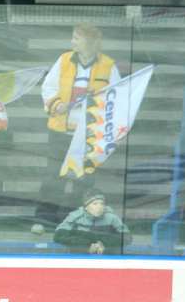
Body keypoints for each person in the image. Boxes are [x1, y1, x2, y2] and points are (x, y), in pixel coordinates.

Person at [36, 23, 121, 232]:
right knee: (53, 176)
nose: (72, 42)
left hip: (89, 135)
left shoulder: (109, 66)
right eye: (73, 37)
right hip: (60, 131)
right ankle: (44, 220)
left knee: (84, 179)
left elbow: (117, 98)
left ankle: (76, 221)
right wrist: (56, 104)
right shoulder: (64, 60)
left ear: (89, 42)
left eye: (76, 38)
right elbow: (48, 87)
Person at [53, 189, 132, 254]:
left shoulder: (112, 218)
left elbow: (126, 237)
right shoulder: (75, 217)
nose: (99, 207)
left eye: (102, 204)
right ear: (86, 207)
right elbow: (58, 235)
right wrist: (86, 246)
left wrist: (105, 245)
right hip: (78, 258)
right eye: (95, 204)